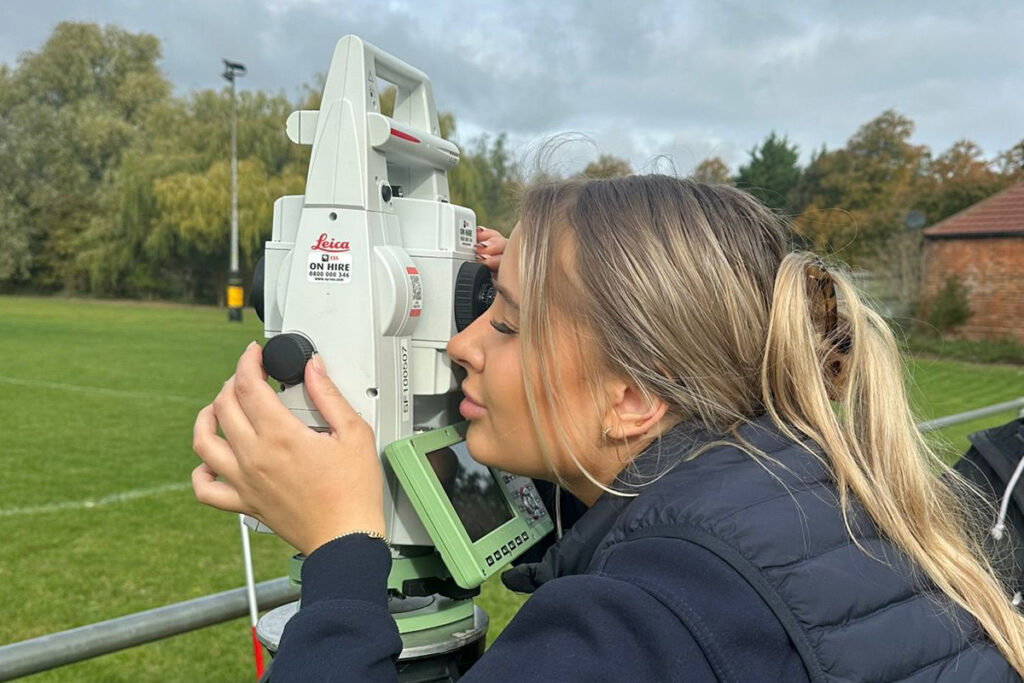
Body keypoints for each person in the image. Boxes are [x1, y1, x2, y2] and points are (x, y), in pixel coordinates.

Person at [191, 175, 1024, 681]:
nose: (459, 344)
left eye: (507, 323)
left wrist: (340, 555)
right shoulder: (794, 494)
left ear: (631, 399)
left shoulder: (647, 622)